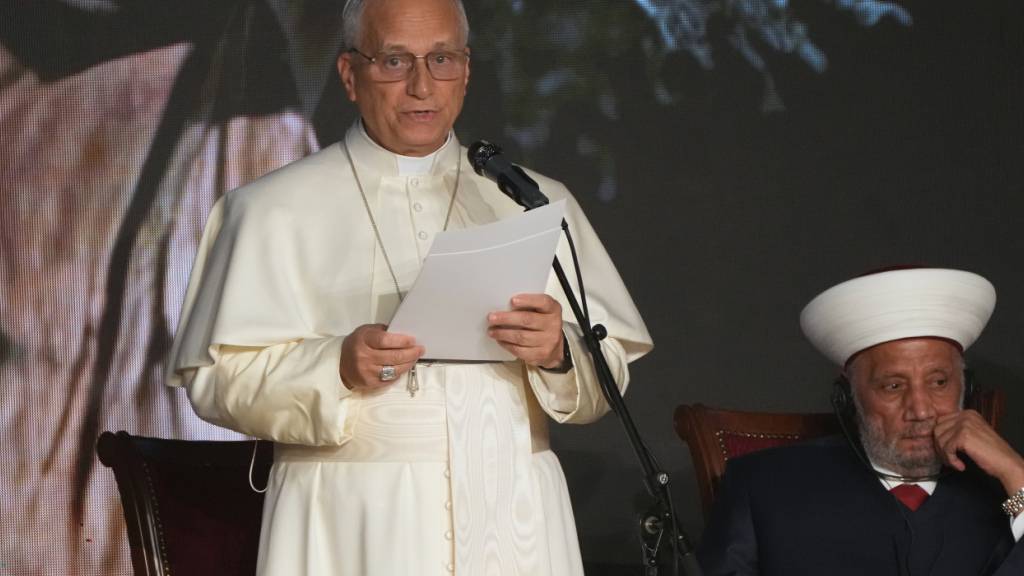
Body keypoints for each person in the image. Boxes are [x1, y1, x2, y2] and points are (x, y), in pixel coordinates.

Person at [164, 0, 652, 574]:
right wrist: (337, 367)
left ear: (466, 71)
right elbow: (216, 379)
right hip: (350, 517)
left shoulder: (533, 201)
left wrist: (558, 352)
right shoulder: (269, 209)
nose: (422, 86)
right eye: (394, 61)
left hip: (514, 509)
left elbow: (609, 371)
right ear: (350, 74)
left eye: (441, 59)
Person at [699, 267, 1024, 575]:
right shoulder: (762, 487)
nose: (922, 410)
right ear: (848, 395)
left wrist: (1017, 476)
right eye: (893, 386)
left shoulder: (1004, 488)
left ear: (966, 388)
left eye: (939, 382)